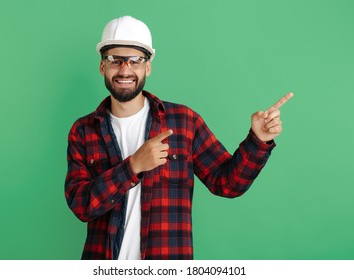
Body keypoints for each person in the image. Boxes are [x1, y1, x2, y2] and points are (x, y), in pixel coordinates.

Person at [64, 15, 293, 260]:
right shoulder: (83, 130)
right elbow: (81, 205)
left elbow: (227, 184)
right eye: (115, 60)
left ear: (148, 67)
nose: (125, 69)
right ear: (102, 67)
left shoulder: (184, 122)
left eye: (135, 60)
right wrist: (133, 166)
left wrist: (257, 140)